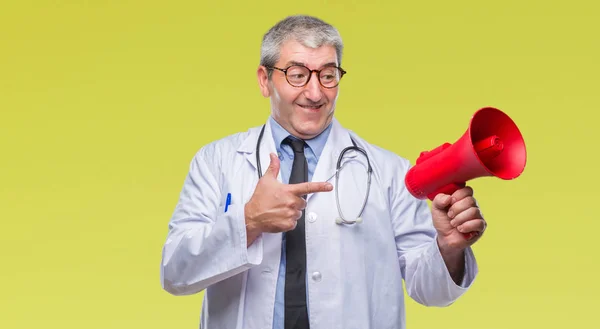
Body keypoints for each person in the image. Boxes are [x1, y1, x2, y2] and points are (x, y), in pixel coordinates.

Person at [160, 14, 487, 329]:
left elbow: (430, 290)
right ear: (264, 80)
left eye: (328, 75)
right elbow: (175, 273)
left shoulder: (389, 172)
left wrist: (448, 247)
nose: (315, 93)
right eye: (297, 74)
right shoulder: (217, 161)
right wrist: (248, 221)